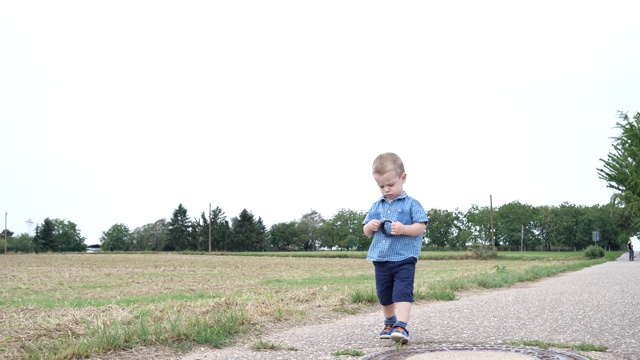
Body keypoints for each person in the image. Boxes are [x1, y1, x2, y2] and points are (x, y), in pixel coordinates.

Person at [362, 152, 428, 344]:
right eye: (381, 186)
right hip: (381, 258)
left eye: (391, 185)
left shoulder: (411, 204)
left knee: (402, 292)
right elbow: (365, 230)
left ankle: (401, 325)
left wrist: (404, 229)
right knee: (384, 294)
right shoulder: (377, 205)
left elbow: (421, 226)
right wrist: (371, 226)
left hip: (404, 258)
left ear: (403, 178)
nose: (386, 190)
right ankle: (389, 322)